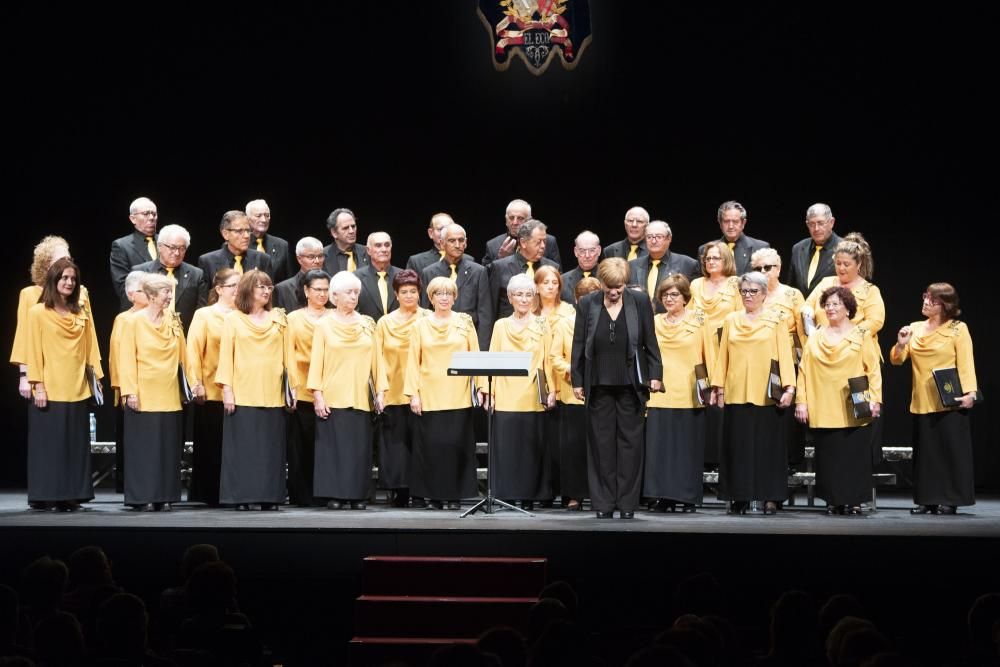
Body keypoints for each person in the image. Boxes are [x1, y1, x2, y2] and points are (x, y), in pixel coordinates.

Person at [571, 258, 663, 519]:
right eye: (609, 287)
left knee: (630, 445)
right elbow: (578, 343)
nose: (613, 293)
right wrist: (577, 380)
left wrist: (655, 374)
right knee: (601, 445)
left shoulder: (640, 302)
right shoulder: (588, 303)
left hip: (630, 383)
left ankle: (627, 504)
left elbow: (649, 341)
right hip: (598, 383)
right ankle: (603, 503)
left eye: (618, 288)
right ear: (600, 283)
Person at [712, 271, 796, 515]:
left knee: (769, 448)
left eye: (753, 291)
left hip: (768, 393)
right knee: (737, 447)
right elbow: (722, 357)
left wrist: (790, 388)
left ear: (764, 293)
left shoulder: (776, 319)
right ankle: (739, 496)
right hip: (737, 391)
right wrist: (719, 388)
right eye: (744, 291)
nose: (748, 296)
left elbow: (785, 355)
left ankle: (771, 497)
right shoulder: (731, 320)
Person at [890, 283, 979, 515]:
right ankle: (927, 499)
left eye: (932, 299)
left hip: (950, 400)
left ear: (945, 305)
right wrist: (900, 343)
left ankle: (950, 499)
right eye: (925, 297)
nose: (926, 302)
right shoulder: (915, 328)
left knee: (950, 452)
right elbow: (897, 360)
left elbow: (966, 363)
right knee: (927, 454)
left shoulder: (958, 329)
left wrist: (970, 394)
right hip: (922, 400)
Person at [795, 286, 882, 515]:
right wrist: (801, 402)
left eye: (836, 304)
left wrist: (875, 400)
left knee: (854, 455)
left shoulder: (861, 334)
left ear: (848, 308)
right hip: (823, 404)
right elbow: (803, 371)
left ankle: (853, 500)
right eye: (827, 304)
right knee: (829, 457)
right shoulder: (815, 337)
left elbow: (873, 370)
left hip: (853, 405)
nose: (830, 308)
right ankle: (834, 499)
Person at [25, 258, 103, 511]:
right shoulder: (38, 312)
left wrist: (97, 381)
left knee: (75, 446)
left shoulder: (80, 313)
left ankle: (71, 495)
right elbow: (33, 351)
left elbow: (91, 348)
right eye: (64, 278)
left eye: (72, 279)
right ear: (54, 280)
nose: (69, 282)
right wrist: (38, 386)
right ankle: (49, 495)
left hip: (77, 387)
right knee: (51, 447)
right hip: (50, 389)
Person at [308, 271, 386, 509]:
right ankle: (335, 494)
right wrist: (317, 395)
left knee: (359, 449)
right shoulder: (323, 325)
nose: (354, 297)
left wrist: (381, 392)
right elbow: (316, 362)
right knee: (333, 448)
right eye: (349, 293)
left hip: (360, 395)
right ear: (335, 296)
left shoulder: (367, 324)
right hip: (333, 394)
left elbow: (378, 361)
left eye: (356, 293)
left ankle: (358, 495)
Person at [215, 269, 291, 511]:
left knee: (270, 449)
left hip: (272, 392)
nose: (267, 291)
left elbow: (288, 356)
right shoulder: (233, 320)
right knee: (244, 449)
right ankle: (242, 496)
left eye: (269, 287)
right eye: (261, 287)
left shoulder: (279, 318)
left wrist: (293, 390)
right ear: (248, 290)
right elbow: (226, 357)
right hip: (243, 392)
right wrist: (227, 390)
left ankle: (270, 496)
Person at [404, 276, 480, 509]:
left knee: (456, 447)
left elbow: (475, 356)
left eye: (448, 293)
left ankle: (454, 496)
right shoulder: (419, 325)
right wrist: (413, 394)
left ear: (455, 297)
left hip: (458, 395)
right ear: (431, 298)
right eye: (439, 293)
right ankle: (435, 497)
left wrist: (480, 389)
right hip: (429, 396)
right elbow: (412, 362)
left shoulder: (465, 322)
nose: (444, 298)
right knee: (432, 449)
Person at [643, 275, 716, 512]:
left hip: (689, 393)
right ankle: (661, 495)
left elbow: (710, 356)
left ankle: (686, 497)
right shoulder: (654, 321)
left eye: (674, 294)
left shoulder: (699, 320)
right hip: (660, 392)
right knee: (659, 448)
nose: (669, 299)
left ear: (685, 297)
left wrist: (714, 387)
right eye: (664, 295)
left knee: (686, 448)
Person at [485, 274, 556, 510]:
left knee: (530, 450)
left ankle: (529, 496)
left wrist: (552, 391)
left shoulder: (542, 324)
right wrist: (490, 393)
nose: (524, 299)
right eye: (518, 295)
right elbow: (492, 361)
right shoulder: (500, 325)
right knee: (507, 450)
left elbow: (547, 360)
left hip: (532, 396)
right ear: (510, 297)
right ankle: (506, 494)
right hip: (505, 396)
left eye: (528, 294)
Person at [117, 273, 187, 512]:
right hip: (143, 393)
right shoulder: (132, 322)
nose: (170, 297)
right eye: (165, 292)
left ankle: (165, 495)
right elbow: (125, 359)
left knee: (167, 448)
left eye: (170, 292)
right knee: (144, 449)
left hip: (169, 392)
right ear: (151, 296)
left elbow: (184, 356)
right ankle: (143, 495)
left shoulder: (173, 320)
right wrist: (130, 392)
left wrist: (191, 384)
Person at [185, 269, 240, 507]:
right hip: (211, 388)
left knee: (235, 447)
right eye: (233, 286)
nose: (238, 290)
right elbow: (193, 351)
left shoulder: (245, 315)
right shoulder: (204, 315)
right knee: (212, 443)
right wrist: (195, 383)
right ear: (219, 289)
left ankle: (234, 490)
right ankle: (210, 492)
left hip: (240, 391)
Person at [12, 236, 92, 398]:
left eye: (69, 259)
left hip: (73, 377)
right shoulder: (29, 294)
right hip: (44, 377)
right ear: (47, 264)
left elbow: (89, 337)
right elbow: (24, 338)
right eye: (62, 259)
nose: (67, 263)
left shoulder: (80, 294)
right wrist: (24, 376)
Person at [374, 269, 428, 507]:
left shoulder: (428, 318)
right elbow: (378, 358)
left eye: (413, 291)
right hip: (394, 390)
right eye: (404, 292)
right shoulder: (385, 322)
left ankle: (420, 490)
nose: (409, 296)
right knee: (396, 445)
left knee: (420, 443)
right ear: (395, 294)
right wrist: (380, 391)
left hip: (422, 391)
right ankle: (399, 490)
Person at [752, 247, 808, 469]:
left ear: (779, 268)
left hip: (787, 360)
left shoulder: (793, 294)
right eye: (758, 268)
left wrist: (805, 359)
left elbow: (804, 331)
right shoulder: (750, 294)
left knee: (784, 414)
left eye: (768, 267)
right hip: (757, 359)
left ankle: (788, 462)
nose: (764, 272)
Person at [550, 277, 602, 512]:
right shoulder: (565, 323)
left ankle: (601, 494)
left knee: (601, 448)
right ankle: (574, 495)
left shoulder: (608, 321)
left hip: (602, 394)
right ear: (578, 300)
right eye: (584, 300)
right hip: (573, 395)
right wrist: (571, 369)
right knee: (574, 449)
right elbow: (554, 357)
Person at [689, 241, 741, 469]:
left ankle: (722, 457)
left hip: (724, 346)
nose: (711, 262)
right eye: (708, 258)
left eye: (716, 258)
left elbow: (741, 315)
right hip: (699, 346)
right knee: (702, 395)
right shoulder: (696, 284)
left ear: (726, 261)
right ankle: (702, 455)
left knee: (722, 397)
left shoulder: (735, 284)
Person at [284, 269, 332, 507]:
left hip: (331, 391)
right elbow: (289, 355)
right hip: (303, 390)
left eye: (326, 289)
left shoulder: (335, 316)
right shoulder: (293, 318)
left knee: (326, 447)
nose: (322, 294)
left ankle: (327, 492)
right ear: (306, 291)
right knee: (301, 446)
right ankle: (301, 494)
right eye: (318, 290)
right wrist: (292, 386)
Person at [533, 265, 575, 507]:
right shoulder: (532, 313)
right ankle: (545, 492)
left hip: (564, 384)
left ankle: (568, 492)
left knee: (564, 443)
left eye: (554, 282)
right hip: (537, 381)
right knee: (543, 442)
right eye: (545, 282)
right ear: (537, 286)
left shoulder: (568, 312)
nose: (550, 286)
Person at [420, 222, 494, 351]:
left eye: (461, 240)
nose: (457, 245)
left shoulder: (478, 272)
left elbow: (485, 314)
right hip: (437, 341)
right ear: (442, 243)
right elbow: (425, 311)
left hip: (468, 341)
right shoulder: (429, 272)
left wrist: (481, 350)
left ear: (466, 243)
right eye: (452, 241)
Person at [803, 232, 884, 347]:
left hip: (853, 348)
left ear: (859, 264)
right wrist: (808, 312)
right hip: (821, 346)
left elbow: (875, 322)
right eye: (838, 263)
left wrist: (846, 336)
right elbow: (807, 305)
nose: (841, 268)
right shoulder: (825, 282)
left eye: (846, 264)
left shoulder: (870, 291)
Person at [109, 271, 150, 493]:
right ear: (132, 294)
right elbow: (117, 356)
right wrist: (123, 389)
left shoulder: (159, 317)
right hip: (131, 388)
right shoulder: (125, 319)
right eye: (147, 290)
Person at [132, 223, 207, 330]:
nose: (177, 253)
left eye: (182, 248)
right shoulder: (141, 272)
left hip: (184, 338)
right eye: (172, 247)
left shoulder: (197, 274)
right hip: (149, 335)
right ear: (159, 246)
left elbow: (201, 312)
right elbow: (133, 309)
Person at [489, 219, 559, 319]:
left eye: (544, 241)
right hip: (510, 330)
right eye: (539, 242)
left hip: (544, 329)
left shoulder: (553, 268)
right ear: (523, 243)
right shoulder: (499, 267)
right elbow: (490, 307)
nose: (543, 246)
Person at [628, 220, 700, 311]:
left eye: (658, 237)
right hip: (639, 321)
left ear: (669, 238)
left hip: (673, 322)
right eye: (649, 237)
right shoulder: (632, 266)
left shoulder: (688, 264)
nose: (653, 241)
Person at [197, 210, 273, 285]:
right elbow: (206, 296)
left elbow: (269, 292)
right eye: (240, 231)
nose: (246, 236)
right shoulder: (208, 262)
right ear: (225, 234)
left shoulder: (263, 260)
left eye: (248, 230)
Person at [481, 198, 561, 268]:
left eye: (520, 218)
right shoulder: (493, 245)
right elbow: (485, 279)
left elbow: (557, 274)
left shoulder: (547, 241)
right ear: (506, 221)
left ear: (529, 220)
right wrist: (500, 259)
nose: (515, 222)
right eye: (511, 218)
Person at [786, 203, 843, 297]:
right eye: (812, 224)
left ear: (831, 222)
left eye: (820, 223)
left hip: (831, 309)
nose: (816, 229)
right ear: (807, 224)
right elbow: (791, 287)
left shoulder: (845, 249)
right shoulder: (798, 248)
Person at [698, 200, 770, 275]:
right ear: (720, 223)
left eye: (735, 221)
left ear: (743, 223)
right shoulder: (705, 250)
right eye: (726, 221)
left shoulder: (760, 248)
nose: (730, 226)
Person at [110, 196, 158, 307]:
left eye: (154, 214)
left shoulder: (166, 243)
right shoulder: (121, 246)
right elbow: (123, 287)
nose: (151, 218)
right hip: (138, 309)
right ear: (133, 219)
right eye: (146, 214)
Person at [406, 212, 473, 275]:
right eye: (441, 229)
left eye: (449, 228)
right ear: (431, 233)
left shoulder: (469, 260)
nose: (445, 232)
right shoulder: (417, 262)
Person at [354, 231, 401, 321]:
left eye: (387, 245)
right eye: (378, 245)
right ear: (368, 250)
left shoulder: (402, 276)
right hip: (367, 332)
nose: (384, 249)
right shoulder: (356, 277)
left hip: (398, 332)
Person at [273, 236, 326, 312]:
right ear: (299, 259)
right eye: (311, 257)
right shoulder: (283, 289)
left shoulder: (332, 284)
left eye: (320, 256)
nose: (317, 261)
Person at [246, 198, 293, 283]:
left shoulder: (282, 245)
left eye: (267, 215)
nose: (264, 220)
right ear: (247, 218)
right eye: (258, 216)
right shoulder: (240, 244)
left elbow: (288, 280)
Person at [322, 207, 369, 275]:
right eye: (345, 228)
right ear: (334, 233)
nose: (351, 231)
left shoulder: (368, 252)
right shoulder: (323, 256)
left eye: (353, 226)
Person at [561, 230, 601, 303]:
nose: (587, 255)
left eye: (592, 250)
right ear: (576, 252)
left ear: (599, 251)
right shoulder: (563, 280)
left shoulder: (609, 278)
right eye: (582, 251)